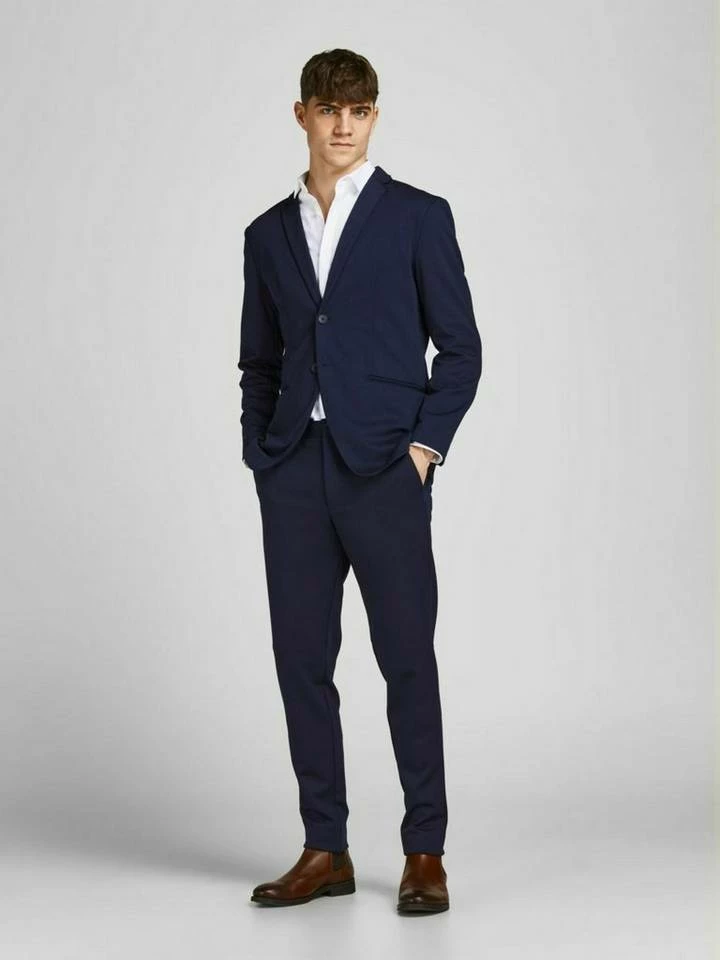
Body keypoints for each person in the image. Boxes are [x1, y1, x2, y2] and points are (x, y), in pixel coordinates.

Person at [238, 48, 482, 914]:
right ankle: (325, 848)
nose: (343, 125)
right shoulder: (267, 233)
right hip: (294, 474)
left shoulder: (418, 216)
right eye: (329, 108)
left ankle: (425, 852)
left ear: (374, 116)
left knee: (407, 659)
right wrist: (262, 454)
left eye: (360, 110)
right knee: (301, 662)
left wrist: (423, 451)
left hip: (384, 470)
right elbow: (259, 361)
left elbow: (461, 351)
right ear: (301, 114)